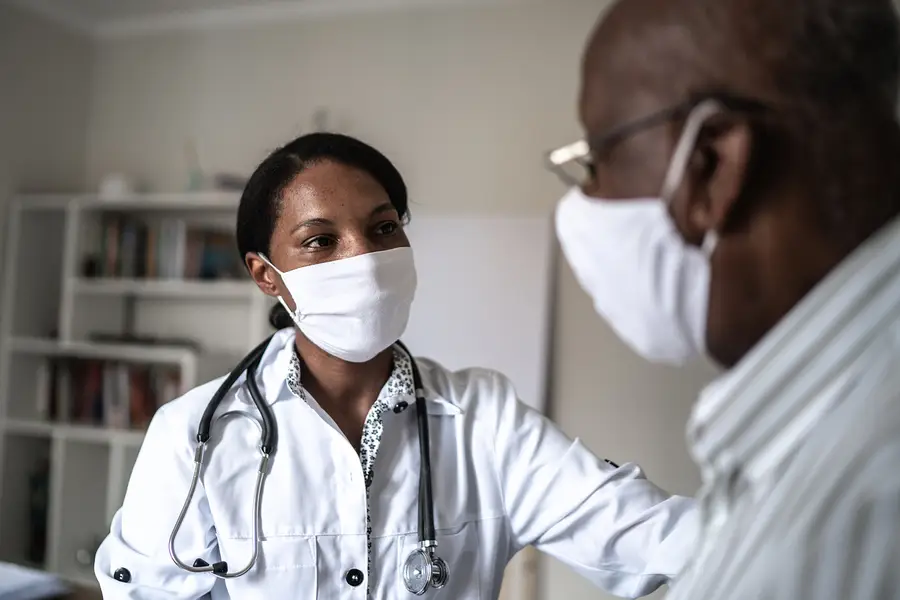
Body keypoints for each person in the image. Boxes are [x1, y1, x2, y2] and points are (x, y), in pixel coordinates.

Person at [94, 132, 697, 599]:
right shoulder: (193, 434)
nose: (364, 256)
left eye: (383, 227)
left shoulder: (485, 421)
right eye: (320, 240)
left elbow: (646, 533)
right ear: (264, 274)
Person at [547, 0, 900, 598]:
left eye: (597, 160)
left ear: (710, 165)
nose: (588, 197)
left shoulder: (861, 504)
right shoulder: (794, 445)